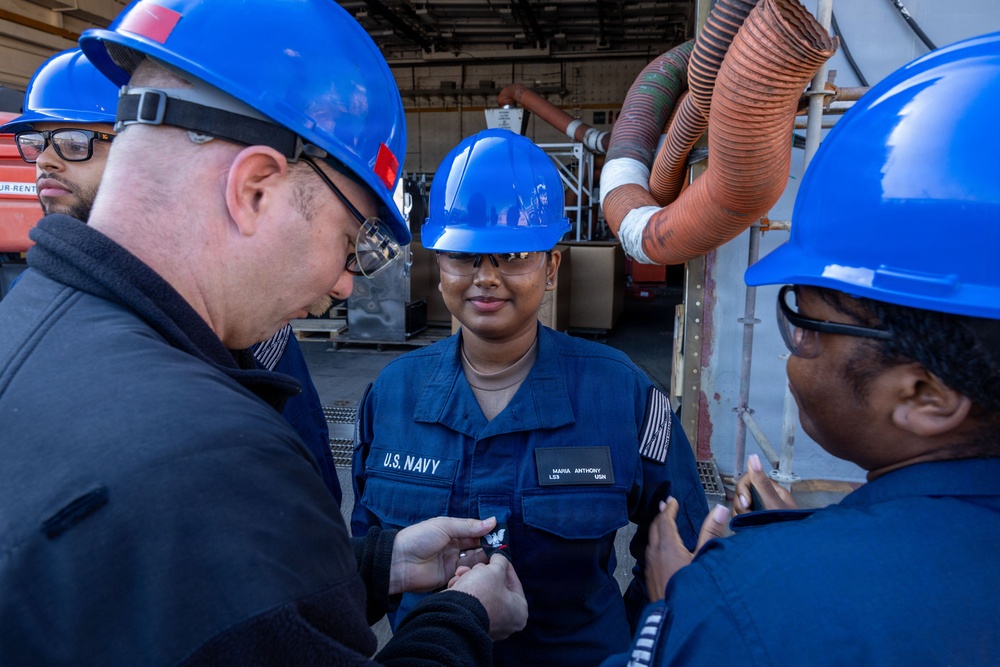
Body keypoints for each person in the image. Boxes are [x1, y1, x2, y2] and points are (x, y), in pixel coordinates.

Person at [0, 1, 527, 664]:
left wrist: (379, 562)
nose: (343, 284)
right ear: (255, 188)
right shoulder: (222, 459)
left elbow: (202, 609)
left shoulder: (28, 333)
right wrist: (464, 614)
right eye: (350, 240)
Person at [604, 30, 1000, 666]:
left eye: (804, 321)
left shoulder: (744, 604)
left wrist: (683, 603)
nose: (795, 349)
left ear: (927, 394)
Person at [351, 128, 709, 666]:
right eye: (466, 256)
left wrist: (631, 646)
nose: (485, 278)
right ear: (439, 263)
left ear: (551, 267)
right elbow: (363, 558)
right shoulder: (392, 395)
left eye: (512, 255)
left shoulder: (621, 393)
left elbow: (678, 547)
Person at [0, 47, 342, 503]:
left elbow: (299, 483)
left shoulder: (219, 308)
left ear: (141, 147)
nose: (45, 161)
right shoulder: (28, 304)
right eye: (36, 144)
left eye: (74, 142)